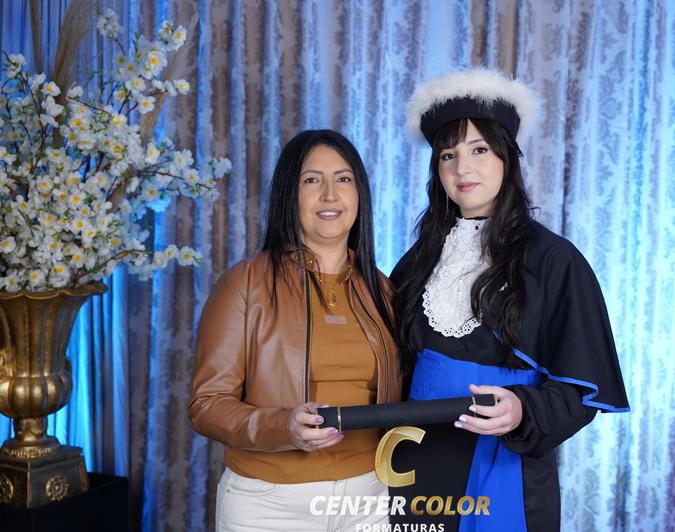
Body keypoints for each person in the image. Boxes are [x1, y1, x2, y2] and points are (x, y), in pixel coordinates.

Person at [390, 69, 630, 531]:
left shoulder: (554, 260)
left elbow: (581, 390)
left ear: (506, 158)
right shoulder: (419, 260)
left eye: (479, 150)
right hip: (416, 453)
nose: (463, 169)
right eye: (448, 156)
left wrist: (521, 409)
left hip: (504, 460)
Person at [188, 129, 401, 531]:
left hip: (369, 497)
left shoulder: (383, 290)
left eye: (343, 179)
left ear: (359, 193)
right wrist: (282, 426)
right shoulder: (244, 284)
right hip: (269, 505)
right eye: (312, 180)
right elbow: (206, 405)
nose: (330, 195)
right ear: (290, 193)